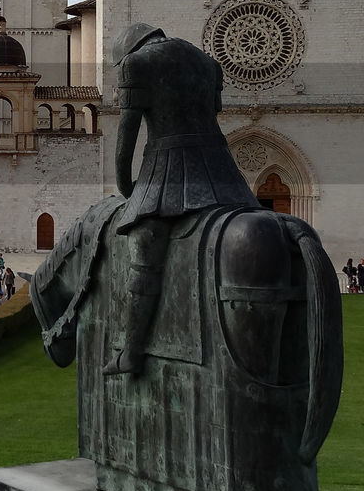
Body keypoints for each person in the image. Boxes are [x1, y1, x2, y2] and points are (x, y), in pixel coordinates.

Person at [102, 24, 259, 376]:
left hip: (169, 168)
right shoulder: (207, 62)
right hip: (223, 172)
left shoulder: (135, 64)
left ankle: (132, 352)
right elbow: (210, 112)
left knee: (145, 250)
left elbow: (128, 130)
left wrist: (126, 184)